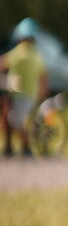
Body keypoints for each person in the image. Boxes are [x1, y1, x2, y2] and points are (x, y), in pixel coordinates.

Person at [0, 19, 48, 157]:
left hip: (20, 95)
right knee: (9, 114)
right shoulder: (36, 54)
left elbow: (3, 63)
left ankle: (26, 146)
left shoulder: (20, 52)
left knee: (13, 119)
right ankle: (10, 147)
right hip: (29, 95)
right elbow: (44, 76)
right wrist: (42, 92)